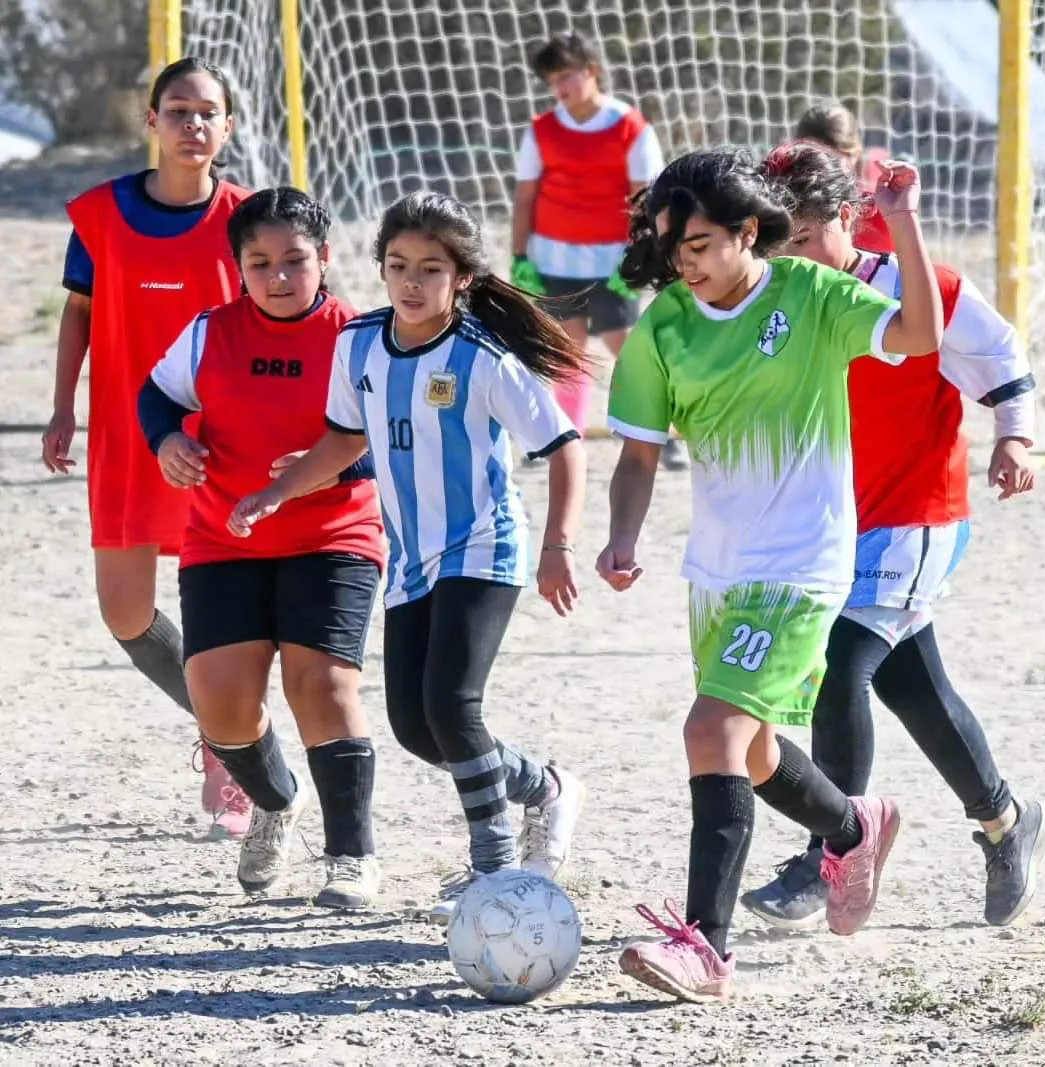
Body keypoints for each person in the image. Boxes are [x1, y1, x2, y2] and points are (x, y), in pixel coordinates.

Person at [596, 146, 945, 1003]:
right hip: (716, 570)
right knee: (749, 752)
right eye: (676, 249)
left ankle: (704, 948)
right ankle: (852, 825)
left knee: (708, 732)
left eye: (704, 245)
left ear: (750, 232)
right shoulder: (665, 324)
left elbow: (918, 335)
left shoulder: (809, 295)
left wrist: (898, 220)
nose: (688, 264)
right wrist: (621, 535)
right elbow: (638, 454)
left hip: (800, 565)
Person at [227, 190, 589, 924]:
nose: (411, 282)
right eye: (397, 266)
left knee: (452, 704)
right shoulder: (358, 343)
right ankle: (543, 786)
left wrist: (557, 545)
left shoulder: (483, 355)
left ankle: (492, 868)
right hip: (410, 558)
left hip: (485, 546)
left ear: (461, 277)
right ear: (380, 270)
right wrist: (281, 492)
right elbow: (343, 439)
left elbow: (563, 446)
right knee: (417, 727)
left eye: (430, 268)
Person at [740, 141, 1045, 931]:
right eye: (780, 244)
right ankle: (1005, 820)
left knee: (841, 663)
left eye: (808, 239)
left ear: (848, 221)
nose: (795, 257)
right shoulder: (777, 305)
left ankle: (829, 852)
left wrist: (1014, 437)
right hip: (832, 527)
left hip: (917, 516)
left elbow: (1000, 357)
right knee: (909, 684)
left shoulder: (916, 291)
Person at [136, 187, 385, 907]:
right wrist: (168, 439)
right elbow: (156, 395)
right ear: (237, 268)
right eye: (260, 262)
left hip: (332, 536)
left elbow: (385, 439)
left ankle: (351, 856)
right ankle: (276, 801)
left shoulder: (358, 336)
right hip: (224, 536)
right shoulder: (211, 331)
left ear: (325, 259)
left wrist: (328, 466)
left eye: (295, 261)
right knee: (218, 703)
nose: (279, 276)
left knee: (322, 684)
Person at [40, 56, 253, 837]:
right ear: (151, 120)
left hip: (220, 446)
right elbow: (77, 313)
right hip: (129, 442)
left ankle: (234, 757)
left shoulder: (249, 218)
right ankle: (217, 724)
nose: (193, 124)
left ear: (226, 127)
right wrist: (63, 406)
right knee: (125, 614)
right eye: (178, 110)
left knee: (224, 616)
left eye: (208, 113)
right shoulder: (99, 213)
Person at [510, 32, 686, 471]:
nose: (560, 88)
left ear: (592, 72)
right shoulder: (541, 131)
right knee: (566, 348)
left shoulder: (630, 127)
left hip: (611, 260)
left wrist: (639, 257)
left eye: (566, 76)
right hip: (553, 258)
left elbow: (645, 200)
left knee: (625, 345)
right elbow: (526, 197)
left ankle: (665, 433)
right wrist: (519, 257)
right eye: (552, 80)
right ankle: (564, 436)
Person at [795, 102, 893, 255]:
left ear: (855, 153)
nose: (823, 170)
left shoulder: (881, 213)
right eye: (812, 159)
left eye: (832, 160)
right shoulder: (781, 212)